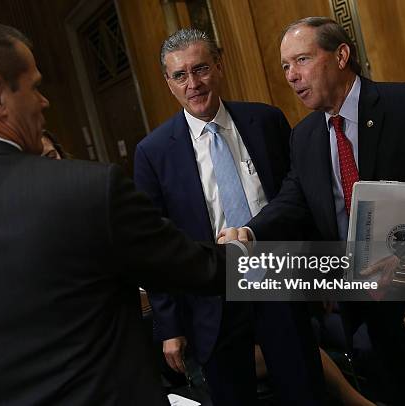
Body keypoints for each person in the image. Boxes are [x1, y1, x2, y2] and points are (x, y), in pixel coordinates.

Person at [0, 17, 238, 406]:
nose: (43, 102)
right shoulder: (87, 192)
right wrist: (303, 273)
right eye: (35, 86)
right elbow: (204, 269)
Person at [220, 17, 405, 405]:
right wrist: (251, 231)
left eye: (302, 60)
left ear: (341, 55)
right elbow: (294, 199)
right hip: (362, 305)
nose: (291, 75)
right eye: (285, 66)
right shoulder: (305, 136)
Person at [134, 28, 323, 406]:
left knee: (305, 392)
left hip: (278, 283)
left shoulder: (266, 121)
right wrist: (169, 326)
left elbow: (298, 201)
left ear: (219, 66)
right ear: (168, 82)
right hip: (211, 302)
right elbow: (154, 246)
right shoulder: (153, 152)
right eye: (180, 75)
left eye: (201, 69)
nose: (193, 83)